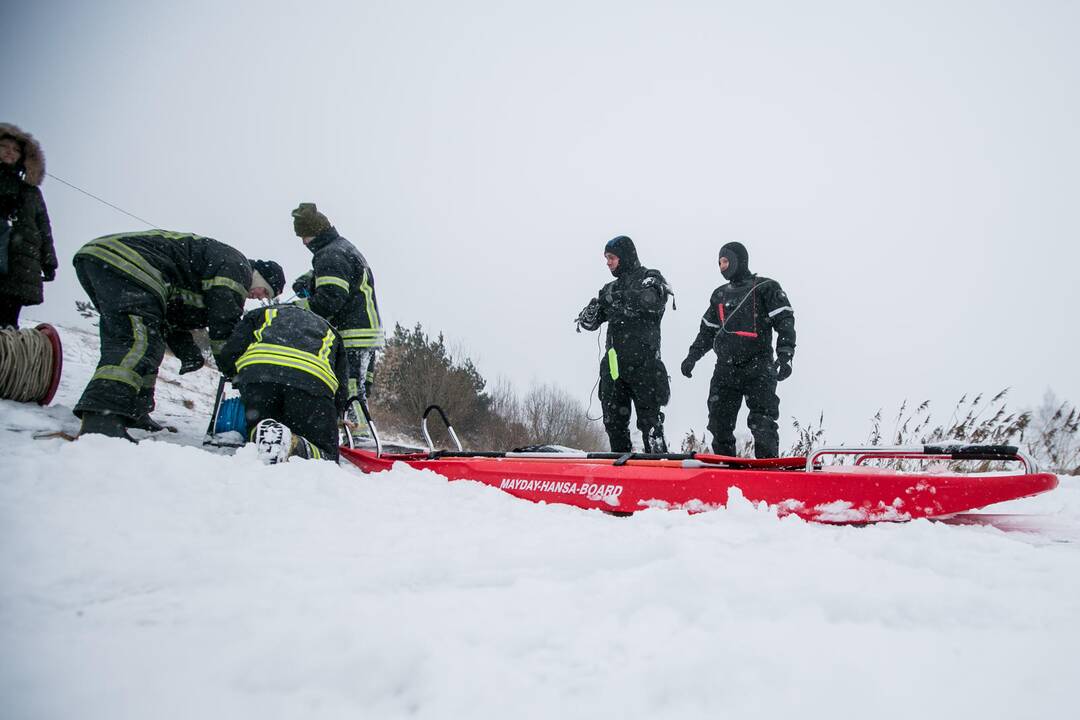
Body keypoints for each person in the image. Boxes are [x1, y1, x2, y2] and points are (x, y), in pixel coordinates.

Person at [71, 229, 284, 439]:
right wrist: (233, 369)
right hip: (128, 262)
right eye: (264, 291)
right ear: (260, 276)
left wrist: (187, 351)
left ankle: (135, 412)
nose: (258, 298)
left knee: (150, 343)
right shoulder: (238, 268)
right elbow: (223, 327)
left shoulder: (216, 271)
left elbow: (172, 316)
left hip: (106, 260)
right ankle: (101, 416)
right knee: (136, 342)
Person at [680, 241, 795, 458]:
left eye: (725, 261)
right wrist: (692, 356)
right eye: (719, 262)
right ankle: (727, 467)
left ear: (737, 261)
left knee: (763, 422)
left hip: (758, 365)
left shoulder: (765, 287)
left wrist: (786, 355)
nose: (721, 266)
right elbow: (707, 331)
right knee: (718, 422)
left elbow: (785, 321)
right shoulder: (719, 295)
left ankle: (768, 469)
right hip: (725, 369)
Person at [289, 203, 383, 431]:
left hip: (353, 334)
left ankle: (360, 437)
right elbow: (339, 283)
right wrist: (311, 280)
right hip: (365, 332)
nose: (303, 242)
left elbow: (330, 300)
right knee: (356, 387)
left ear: (316, 232)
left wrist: (298, 307)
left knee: (350, 388)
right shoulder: (341, 249)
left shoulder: (331, 255)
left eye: (305, 236)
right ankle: (354, 432)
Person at [217, 302, 349, 463]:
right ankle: (297, 447)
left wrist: (236, 377)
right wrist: (333, 413)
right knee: (327, 455)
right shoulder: (330, 330)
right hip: (311, 384)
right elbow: (342, 385)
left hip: (260, 377)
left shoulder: (262, 313)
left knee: (260, 428)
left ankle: (262, 436)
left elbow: (230, 353)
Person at [576, 235, 671, 453]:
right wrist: (588, 316)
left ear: (625, 256)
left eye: (611, 257)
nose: (608, 262)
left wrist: (618, 298)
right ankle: (622, 470)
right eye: (606, 258)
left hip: (645, 365)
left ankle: (661, 469)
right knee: (614, 424)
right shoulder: (608, 288)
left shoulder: (650, 277)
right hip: (614, 367)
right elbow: (593, 320)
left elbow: (653, 300)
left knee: (650, 425)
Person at [0, 123, 58, 328]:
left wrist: (49, 260)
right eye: (5, 146)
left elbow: (44, 227)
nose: (10, 152)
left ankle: (6, 357)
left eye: (16, 150)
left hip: (20, 261)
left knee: (8, 320)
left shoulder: (30, 192)